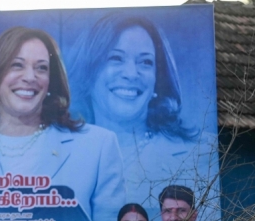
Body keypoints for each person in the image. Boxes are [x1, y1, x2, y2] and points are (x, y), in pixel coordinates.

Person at [0, 26, 126, 221]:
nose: (30, 77)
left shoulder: (98, 145)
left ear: (51, 82)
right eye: (17, 65)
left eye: (41, 68)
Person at [68, 12, 217, 209]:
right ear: (88, 69)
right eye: (116, 58)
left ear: (158, 79)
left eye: (145, 62)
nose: (131, 74)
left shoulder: (201, 154)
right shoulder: (57, 152)